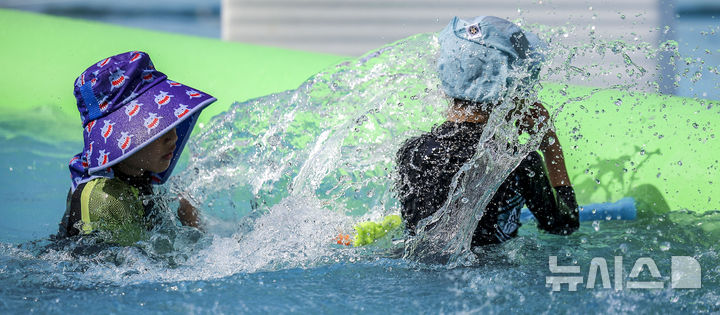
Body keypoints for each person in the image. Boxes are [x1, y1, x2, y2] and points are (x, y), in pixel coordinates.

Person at [395, 16, 579, 247]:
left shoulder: (411, 152)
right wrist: (550, 145)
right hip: (490, 274)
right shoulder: (517, 162)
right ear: (511, 91)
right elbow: (564, 225)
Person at [57, 51, 217, 245]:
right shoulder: (105, 200)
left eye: (170, 121)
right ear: (117, 137)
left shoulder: (137, 174)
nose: (173, 136)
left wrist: (190, 225)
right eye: (156, 126)